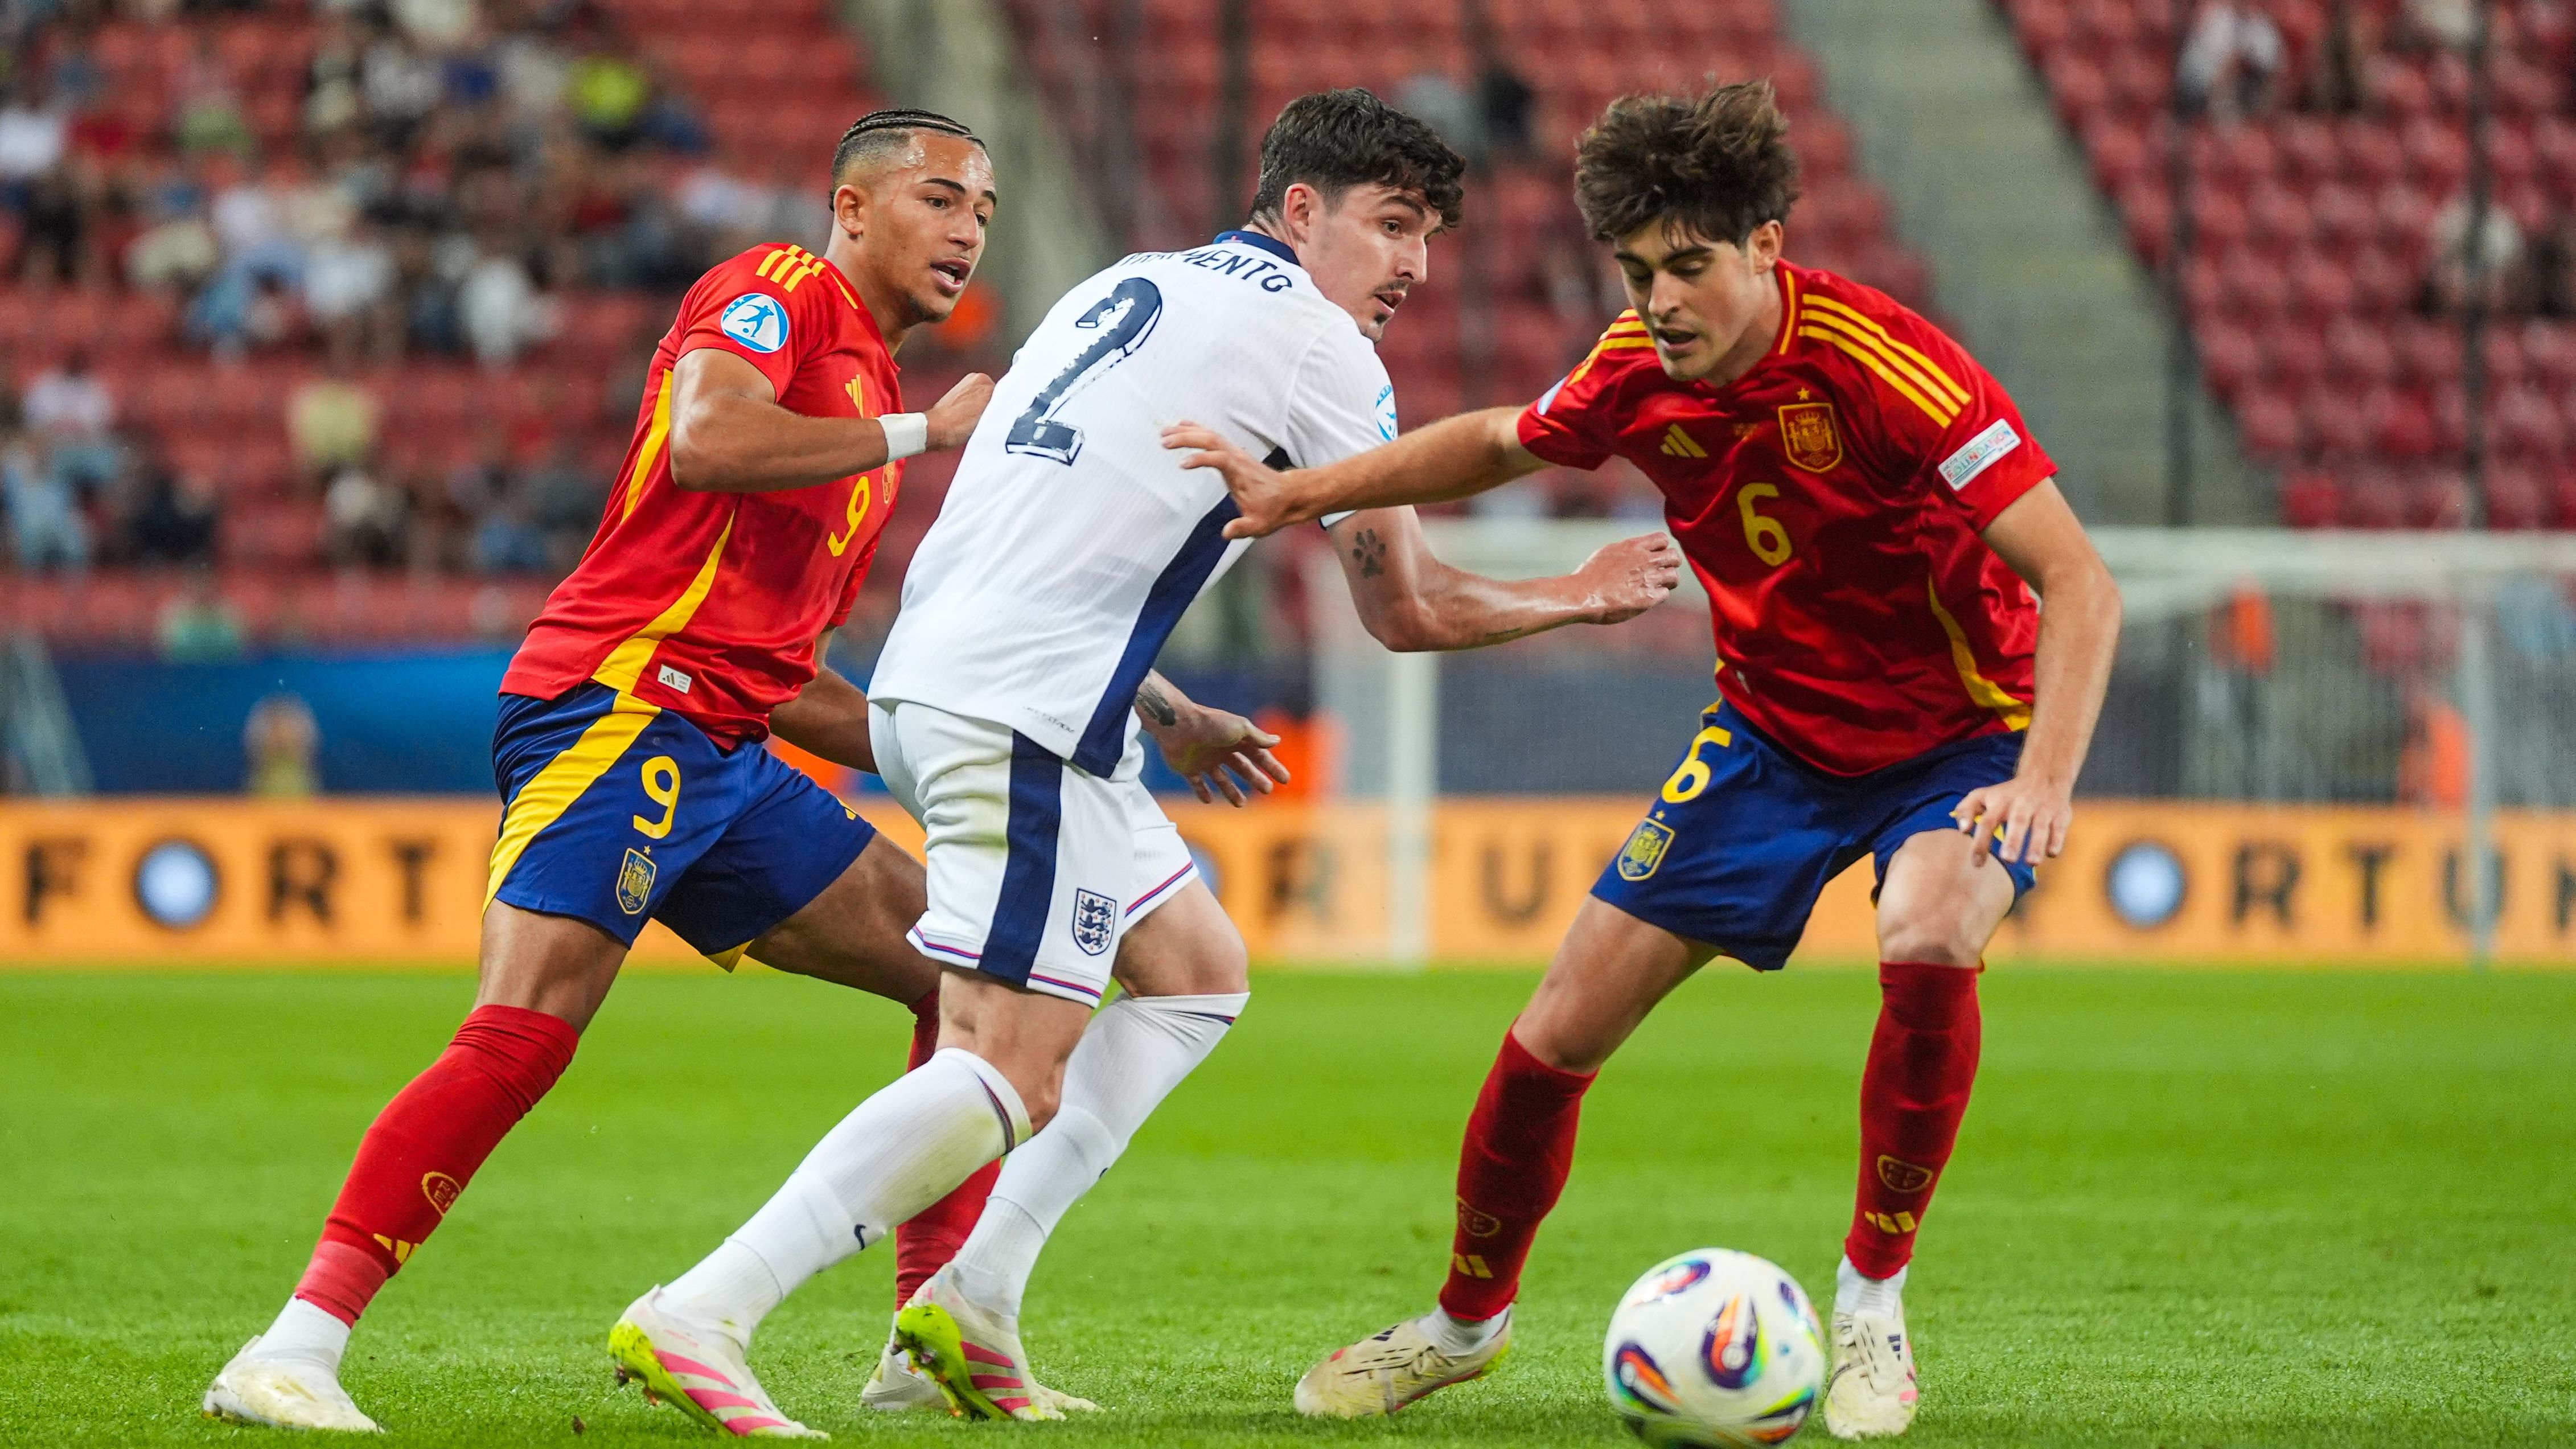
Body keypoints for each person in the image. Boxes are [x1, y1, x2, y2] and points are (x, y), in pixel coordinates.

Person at [608, 88, 1684, 1433]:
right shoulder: (1316, 342)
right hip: (1030, 709)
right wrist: (1576, 592)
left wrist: (1163, 706)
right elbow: (1406, 609)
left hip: (974, 676)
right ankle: (704, 1308)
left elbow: (1057, 509)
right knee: (1008, 1064)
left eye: (1427, 237)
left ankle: (968, 1303)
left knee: (1193, 974)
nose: (1411, 265)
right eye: (1391, 225)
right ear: (1301, 211)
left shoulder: (1129, 281)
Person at [1182, 81, 2123, 1440]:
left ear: (1767, 248)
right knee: (1556, 1026)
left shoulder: (1888, 367)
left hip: (1958, 737)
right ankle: (1460, 1325)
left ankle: (1868, 1307)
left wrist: (2041, 781)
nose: (1661, 298)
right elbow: (1502, 439)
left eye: (1689, 266)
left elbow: (2080, 581)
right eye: (1636, 269)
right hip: (1771, 737)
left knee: (1927, 925)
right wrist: (1300, 490)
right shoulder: (1633, 364)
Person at [202, 108, 1030, 1434]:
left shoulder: (870, 392)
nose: (968, 230)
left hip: (723, 738)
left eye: (985, 211)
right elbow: (707, 438)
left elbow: (778, 668)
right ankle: (292, 1347)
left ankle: (918, 1344)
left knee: (961, 981)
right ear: (853, 206)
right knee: (524, 1030)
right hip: (621, 705)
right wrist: (927, 436)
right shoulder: (781, 290)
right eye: (941, 199)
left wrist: (947, 753)